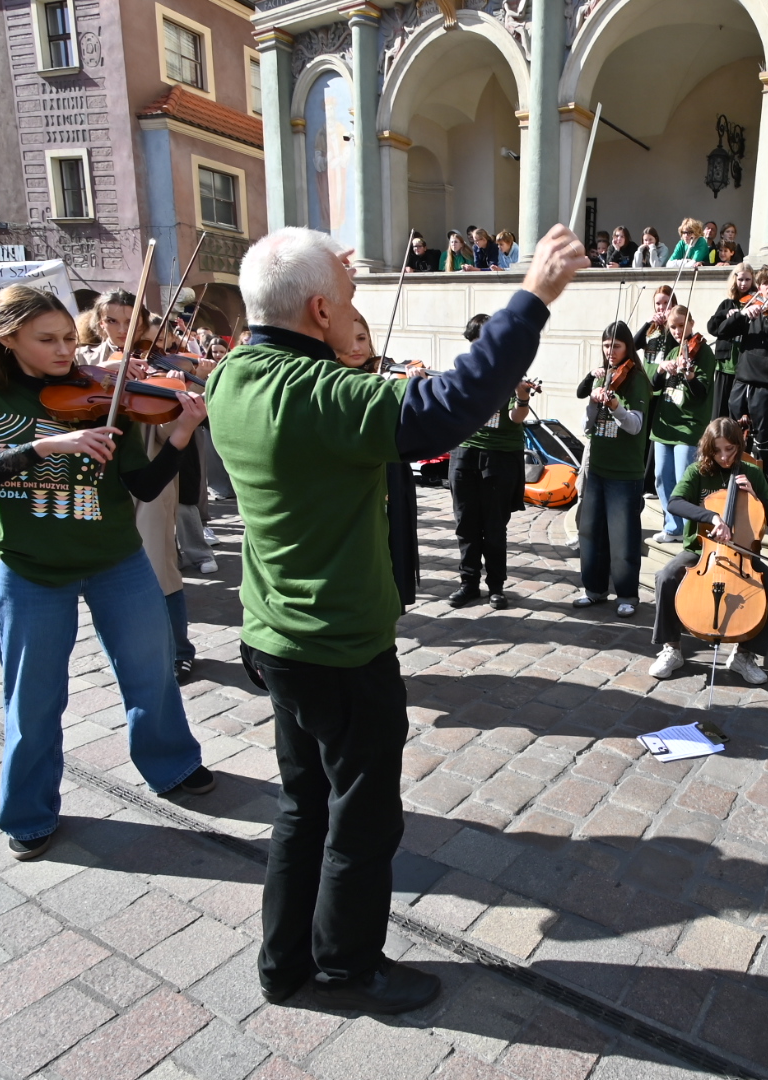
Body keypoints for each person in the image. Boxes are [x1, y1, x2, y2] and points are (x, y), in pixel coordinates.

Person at [207, 224, 586, 1014]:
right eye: (344, 299)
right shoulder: (320, 395)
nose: (354, 307)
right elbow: (449, 405)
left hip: (276, 636)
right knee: (362, 820)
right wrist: (533, 297)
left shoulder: (232, 375)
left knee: (302, 806)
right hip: (339, 650)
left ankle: (284, 966)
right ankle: (347, 966)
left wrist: (326, 297)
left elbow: (305, 332)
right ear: (316, 309)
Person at [0, 284, 213, 859]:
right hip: (31, 570)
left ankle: (171, 763)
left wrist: (181, 434)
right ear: (8, 339)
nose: (67, 350)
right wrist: (45, 447)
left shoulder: (102, 395)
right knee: (33, 699)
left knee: (152, 671)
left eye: (69, 337)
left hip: (116, 559)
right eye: (48, 340)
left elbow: (141, 484)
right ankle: (30, 810)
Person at [79, 290, 201, 678]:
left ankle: (179, 648)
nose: (120, 330)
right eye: (112, 321)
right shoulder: (83, 363)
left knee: (160, 565)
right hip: (97, 477)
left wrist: (176, 395)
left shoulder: (158, 367)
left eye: (130, 322)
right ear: (100, 324)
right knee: (107, 568)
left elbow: (166, 432)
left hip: (151, 475)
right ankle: (128, 648)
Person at [649, 417, 768, 685]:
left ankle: (744, 655)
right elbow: (675, 502)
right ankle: (671, 648)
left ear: (739, 445)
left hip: (741, 555)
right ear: (709, 448)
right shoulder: (698, 472)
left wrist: (756, 497)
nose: (724, 457)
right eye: (718, 450)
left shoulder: (752, 473)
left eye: (730, 450)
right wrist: (711, 517)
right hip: (702, 552)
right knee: (665, 577)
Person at [448, 313, 537, 609]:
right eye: (474, 342)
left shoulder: (512, 372)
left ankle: (496, 586)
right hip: (464, 451)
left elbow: (515, 417)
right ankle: (468, 583)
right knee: (466, 523)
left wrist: (522, 397)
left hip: (500, 455)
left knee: (495, 526)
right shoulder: (463, 372)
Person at [333, 312, 421, 609]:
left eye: (362, 338)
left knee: (394, 538)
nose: (356, 347)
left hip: (392, 470)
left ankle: (392, 599)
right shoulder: (329, 380)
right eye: (347, 340)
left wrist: (412, 393)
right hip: (354, 477)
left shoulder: (385, 372)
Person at [573, 321, 652, 617]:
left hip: (625, 472)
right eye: (606, 345)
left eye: (616, 346)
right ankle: (593, 590)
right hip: (598, 468)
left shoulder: (637, 380)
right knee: (590, 533)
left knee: (623, 537)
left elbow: (635, 426)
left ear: (627, 347)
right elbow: (586, 426)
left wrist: (616, 406)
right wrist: (593, 404)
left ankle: (628, 594)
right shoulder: (600, 377)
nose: (610, 351)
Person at [647, 305, 711, 544]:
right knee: (662, 478)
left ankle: (689, 530)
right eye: (672, 327)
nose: (676, 330)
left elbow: (703, 392)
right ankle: (672, 527)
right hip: (665, 426)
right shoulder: (673, 353)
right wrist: (661, 369)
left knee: (684, 480)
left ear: (692, 324)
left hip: (688, 426)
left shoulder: (703, 352)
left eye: (681, 325)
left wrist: (690, 375)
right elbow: (653, 386)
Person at [723, 269, 768, 472]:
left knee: (763, 437)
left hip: (767, 382)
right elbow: (718, 330)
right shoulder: (751, 307)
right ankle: (735, 472)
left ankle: (764, 478)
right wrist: (739, 316)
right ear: (760, 287)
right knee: (735, 432)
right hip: (742, 379)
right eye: (765, 283)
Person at [708, 264, 758, 422]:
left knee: (739, 410)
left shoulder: (756, 302)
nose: (743, 284)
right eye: (740, 279)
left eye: (748, 280)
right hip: (726, 362)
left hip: (745, 363)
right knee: (719, 409)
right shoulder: (727, 304)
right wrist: (725, 314)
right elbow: (713, 328)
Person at [634, 285, 677, 367]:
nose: (661, 307)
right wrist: (647, 323)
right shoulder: (651, 327)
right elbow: (633, 346)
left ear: (673, 304)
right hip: (648, 376)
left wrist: (672, 321)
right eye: (658, 303)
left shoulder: (677, 326)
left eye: (666, 303)